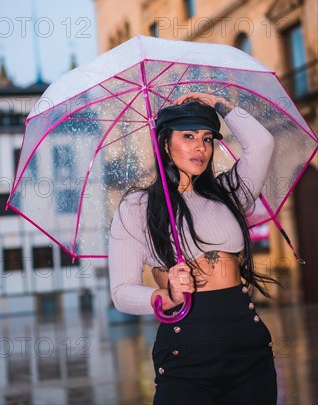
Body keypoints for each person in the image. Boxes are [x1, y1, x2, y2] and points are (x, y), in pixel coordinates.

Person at [108, 92, 279, 405]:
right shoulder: (138, 206)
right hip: (185, 349)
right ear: (164, 143)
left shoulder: (229, 193)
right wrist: (166, 296)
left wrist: (218, 103)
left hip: (247, 345)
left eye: (207, 138)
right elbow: (121, 292)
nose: (201, 147)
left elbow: (263, 144)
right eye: (188, 136)